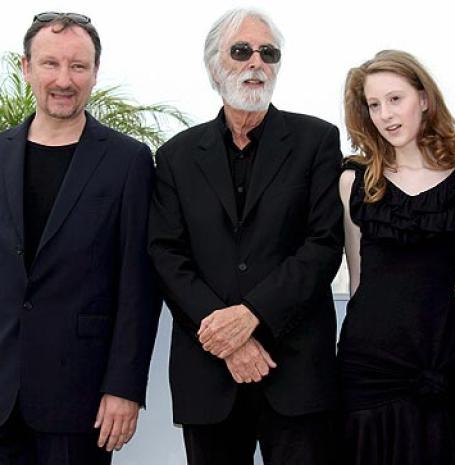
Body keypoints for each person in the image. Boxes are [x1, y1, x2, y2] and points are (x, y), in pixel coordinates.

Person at [0, 12, 160, 465]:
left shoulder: (129, 161)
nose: (64, 80)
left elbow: (138, 289)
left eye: (78, 66)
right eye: (50, 64)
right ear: (26, 67)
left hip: (81, 399)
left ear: (95, 72)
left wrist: (124, 388)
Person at [148, 8, 343, 465]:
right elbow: (165, 254)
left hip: (296, 375)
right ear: (215, 65)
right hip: (208, 374)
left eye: (268, 53)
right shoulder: (175, 156)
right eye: (242, 51)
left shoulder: (317, 141)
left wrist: (253, 315)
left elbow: (323, 244)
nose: (257, 62)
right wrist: (227, 335)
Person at [338, 50, 455, 465]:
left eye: (395, 99)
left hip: (439, 363)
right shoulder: (354, 181)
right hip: (367, 368)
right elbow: (358, 282)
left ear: (423, 98)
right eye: (374, 104)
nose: (385, 114)